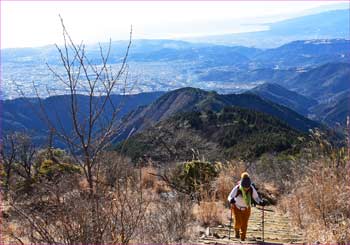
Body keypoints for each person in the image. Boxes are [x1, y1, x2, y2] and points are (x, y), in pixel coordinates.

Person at [227, 172, 267, 241]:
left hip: (247, 208)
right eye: (245, 187)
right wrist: (231, 200)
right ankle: (236, 230)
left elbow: (256, 197)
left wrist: (261, 202)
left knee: (244, 225)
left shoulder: (251, 188)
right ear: (242, 185)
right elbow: (230, 196)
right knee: (238, 223)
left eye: (247, 187)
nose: (246, 189)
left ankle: (243, 239)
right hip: (237, 207)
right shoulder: (237, 188)